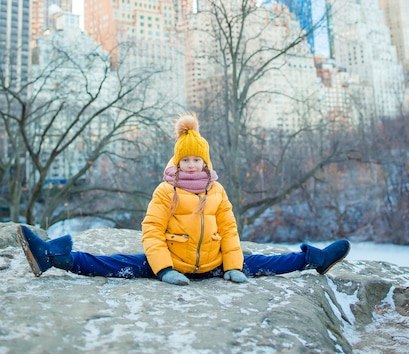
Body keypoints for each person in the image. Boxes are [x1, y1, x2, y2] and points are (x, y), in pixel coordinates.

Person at [17, 113, 350, 285]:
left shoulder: (216, 192)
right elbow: (151, 231)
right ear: (177, 162)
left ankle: (313, 259)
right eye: (185, 160)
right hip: (172, 263)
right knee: (118, 263)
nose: (191, 164)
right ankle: (53, 258)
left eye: (197, 160)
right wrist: (163, 270)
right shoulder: (166, 191)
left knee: (263, 262)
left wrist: (232, 266)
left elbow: (230, 231)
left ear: (206, 162)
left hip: (213, 264)